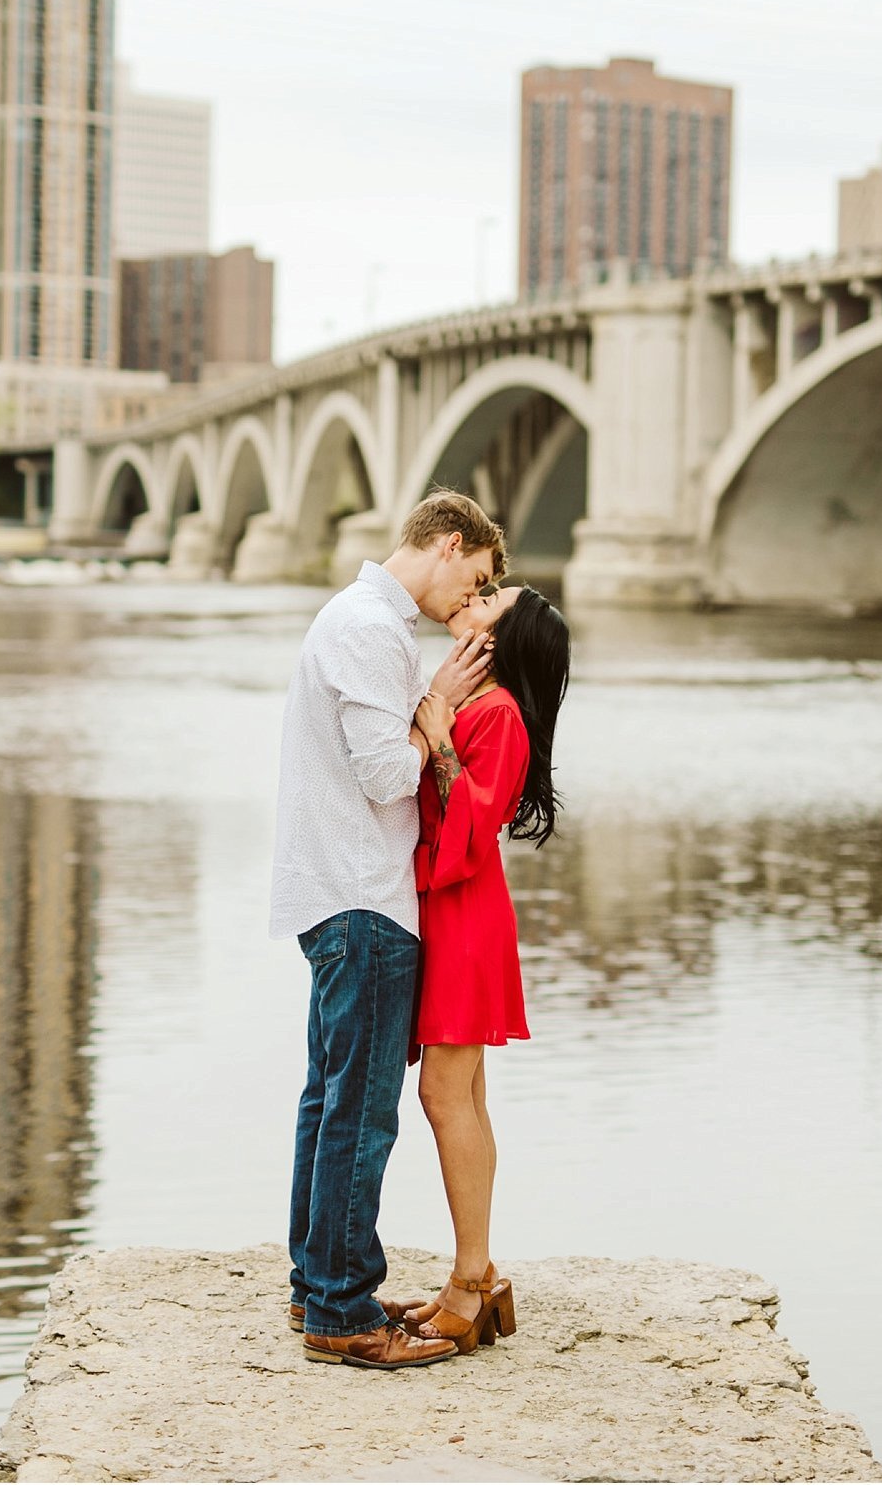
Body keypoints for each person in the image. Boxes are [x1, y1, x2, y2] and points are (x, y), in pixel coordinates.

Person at [277, 490, 504, 1371]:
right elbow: (382, 776)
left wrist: (426, 695)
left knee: (327, 1100)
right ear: (450, 546)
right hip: (366, 897)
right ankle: (341, 1311)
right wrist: (438, 710)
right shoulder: (373, 629)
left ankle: (318, 1283)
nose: (468, 600)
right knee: (362, 1114)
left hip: (333, 891)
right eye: (475, 578)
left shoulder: (357, 619)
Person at [396, 582, 570, 1355]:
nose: (477, 594)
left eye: (491, 598)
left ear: (499, 638)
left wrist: (436, 732)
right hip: (452, 908)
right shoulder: (479, 701)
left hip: (464, 913)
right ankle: (479, 1275)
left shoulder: (496, 713)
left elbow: (470, 823)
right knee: (464, 1095)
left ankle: (471, 1278)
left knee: (443, 1091)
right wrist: (436, 716)